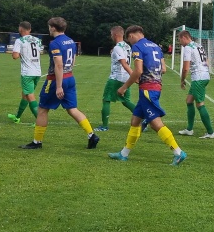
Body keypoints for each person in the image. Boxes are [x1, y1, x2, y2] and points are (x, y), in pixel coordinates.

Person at [108, 25, 187, 165]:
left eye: (129, 40)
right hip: (156, 86)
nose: (130, 42)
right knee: (135, 120)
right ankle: (124, 154)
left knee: (155, 123)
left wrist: (124, 87)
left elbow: (138, 71)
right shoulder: (156, 46)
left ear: (131, 36)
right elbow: (163, 69)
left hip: (147, 89)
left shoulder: (138, 46)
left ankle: (178, 152)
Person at [19, 17, 99, 150]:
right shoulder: (71, 41)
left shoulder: (55, 43)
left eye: (49, 27)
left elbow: (59, 65)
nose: (49, 29)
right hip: (70, 77)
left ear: (53, 28)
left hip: (55, 79)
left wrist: (59, 86)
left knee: (42, 110)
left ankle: (37, 142)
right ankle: (92, 135)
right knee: (72, 109)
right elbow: (72, 61)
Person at [94, 26, 136, 131]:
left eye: (111, 34)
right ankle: (143, 118)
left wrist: (134, 76)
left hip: (116, 77)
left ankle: (104, 126)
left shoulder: (118, 47)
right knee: (126, 101)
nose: (111, 36)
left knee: (106, 99)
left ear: (115, 35)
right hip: (126, 78)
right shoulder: (127, 46)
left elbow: (124, 63)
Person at [176, 30, 214, 138]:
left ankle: (211, 132)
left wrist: (182, 80)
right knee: (189, 101)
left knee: (199, 104)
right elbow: (207, 61)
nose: (180, 42)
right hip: (204, 75)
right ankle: (189, 129)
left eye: (179, 40)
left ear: (184, 37)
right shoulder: (199, 45)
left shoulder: (188, 48)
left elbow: (185, 68)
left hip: (198, 78)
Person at [7, 22, 42, 123]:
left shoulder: (19, 40)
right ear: (30, 29)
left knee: (30, 96)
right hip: (37, 71)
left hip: (27, 72)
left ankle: (40, 121)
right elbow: (39, 52)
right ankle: (17, 117)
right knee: (25, 95)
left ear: (20, 29)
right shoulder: (37, 40)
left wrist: (16, 53)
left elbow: (15, 56)